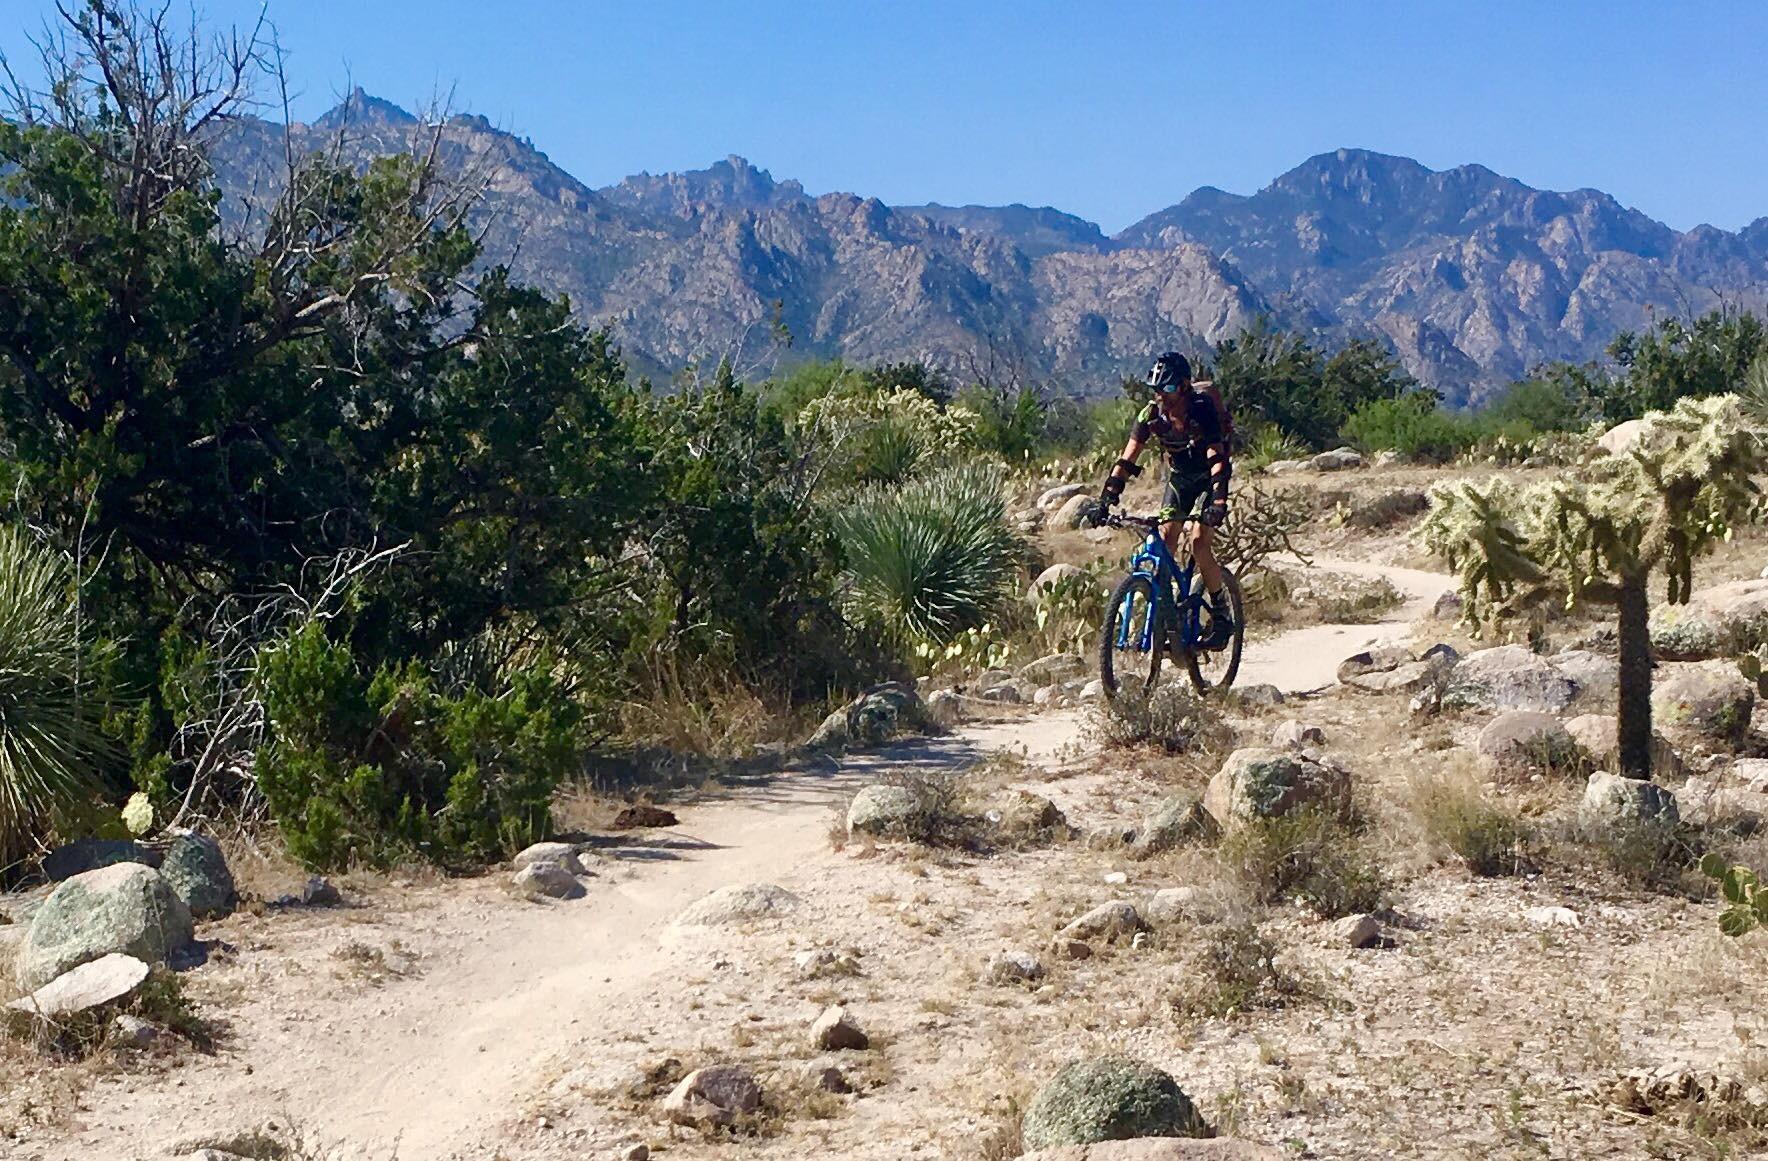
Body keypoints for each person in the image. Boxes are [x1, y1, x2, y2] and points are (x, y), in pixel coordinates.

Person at [1095, 351, 1235, 648]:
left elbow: (1215, 455)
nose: (1161, 395)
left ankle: (1221, 613)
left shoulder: (1202, 410)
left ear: (1184, 386)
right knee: (1166, 538)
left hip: (1209, 478)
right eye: (1157, 389)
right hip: (1180, 479)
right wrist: (1106, 498)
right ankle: (1169, 617)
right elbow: (1128, 457)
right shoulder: (1151, 416)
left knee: (1198, 542)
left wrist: (1218, 502)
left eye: (1168, 388)